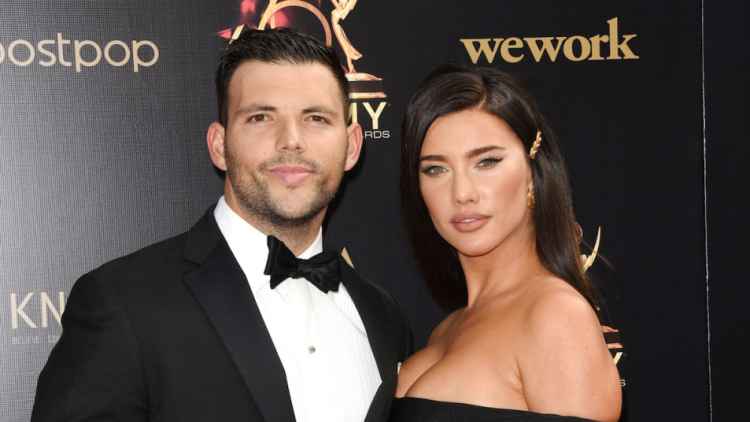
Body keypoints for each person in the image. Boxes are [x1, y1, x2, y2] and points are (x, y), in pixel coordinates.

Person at [31, 28, 411, 422]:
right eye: (261, 118)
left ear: (351, 146)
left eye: (316, 118)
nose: (291, 140)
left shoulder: (383, 316)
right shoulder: (124, 303)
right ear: (219, 145)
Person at [391, 65, 621, 421]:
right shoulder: (448, 328)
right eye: (436, 169)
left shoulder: (555, 315)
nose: (462, 193)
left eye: (487, 162)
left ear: (532, 170)